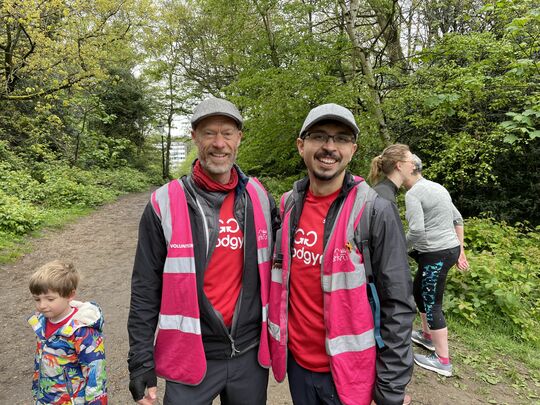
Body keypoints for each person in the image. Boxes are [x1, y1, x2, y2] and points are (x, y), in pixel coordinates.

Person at [127, 97, 278, 405]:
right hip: (190, 357)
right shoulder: (164, 203)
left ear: (239, 138)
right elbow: (145, 287)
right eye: (209, 133)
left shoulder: (260, 197)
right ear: (194, 136)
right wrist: (141, 360)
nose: (219, 143)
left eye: (227, 133)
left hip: (249, 355)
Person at [268, 103, 415, 405]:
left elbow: (398, 303)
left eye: (341, 139)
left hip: (352, 372)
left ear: (353, 149)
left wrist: (390, 387)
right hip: (297, 366)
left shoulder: (375, 210)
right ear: (301, 146)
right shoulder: (287, 206)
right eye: (320, 136)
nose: (329, 147)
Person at [402, 154, 469, 377]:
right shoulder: (437, 187)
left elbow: (418, 231)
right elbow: (458, 219)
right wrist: (460, 250)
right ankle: (427, 336)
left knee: (431, 302)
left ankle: (443, 360)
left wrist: (397, 246)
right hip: (445, 250)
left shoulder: (413, 194)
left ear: (408, 168)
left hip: (436, 254)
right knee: (419, 292)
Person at [28, 260, 107, 404]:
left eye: (50, 299)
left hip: (73, 400)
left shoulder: (82, 331)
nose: (42, 305)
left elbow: (96, 373)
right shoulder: (42, 322)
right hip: (46, 397)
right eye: (37, 299)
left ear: (70, 295)